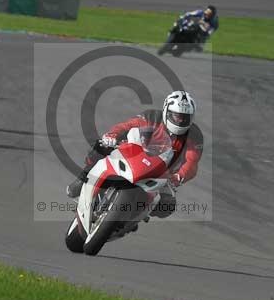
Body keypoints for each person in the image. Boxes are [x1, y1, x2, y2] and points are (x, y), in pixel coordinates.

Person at [65, 91, 203, 218]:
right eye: (177, 116)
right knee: (101, 146)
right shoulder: (152, 116)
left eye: (185, 118)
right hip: (134, 154)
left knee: (167, 205)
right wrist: (112, 135)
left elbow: (192, 162)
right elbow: (127, 126)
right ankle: (82, 179)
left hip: (162, 173)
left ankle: (136, 216)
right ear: (166, 111)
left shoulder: (194, 135)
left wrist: (179, 176)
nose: (180, 121)